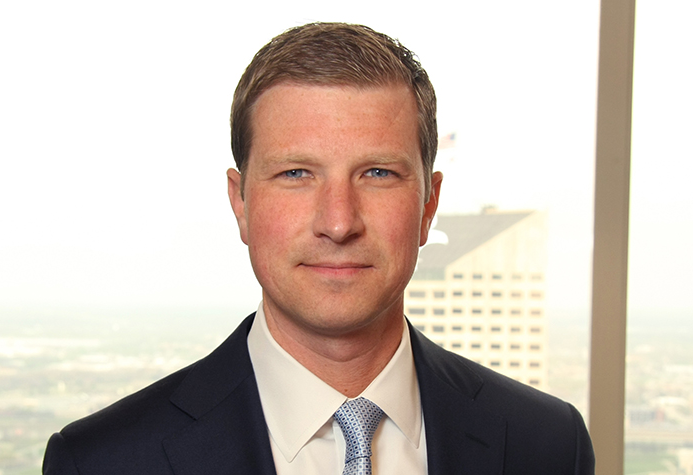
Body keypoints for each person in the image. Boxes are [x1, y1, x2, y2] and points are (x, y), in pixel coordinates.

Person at [43, 22, 594, 474]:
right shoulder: (101, 462)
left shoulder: (548, 445)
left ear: (429, 205)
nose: (338, 222)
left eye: (378, 173)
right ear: (241, 203)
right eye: (296, 173)